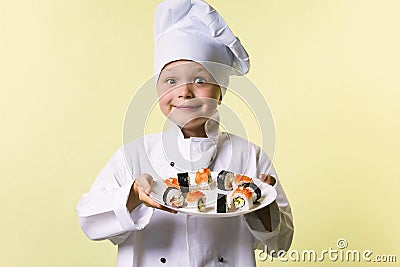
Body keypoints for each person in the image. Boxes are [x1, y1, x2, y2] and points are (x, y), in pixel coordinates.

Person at [76, 0, 294, 266]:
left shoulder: (250, 156)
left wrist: (260, 202)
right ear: (158, 91)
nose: (184, 92)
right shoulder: (133, 155)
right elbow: (88, 218)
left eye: (200, 80)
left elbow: (281, 244)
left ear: (221, 91)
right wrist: (133, 195)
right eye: (171, 81)